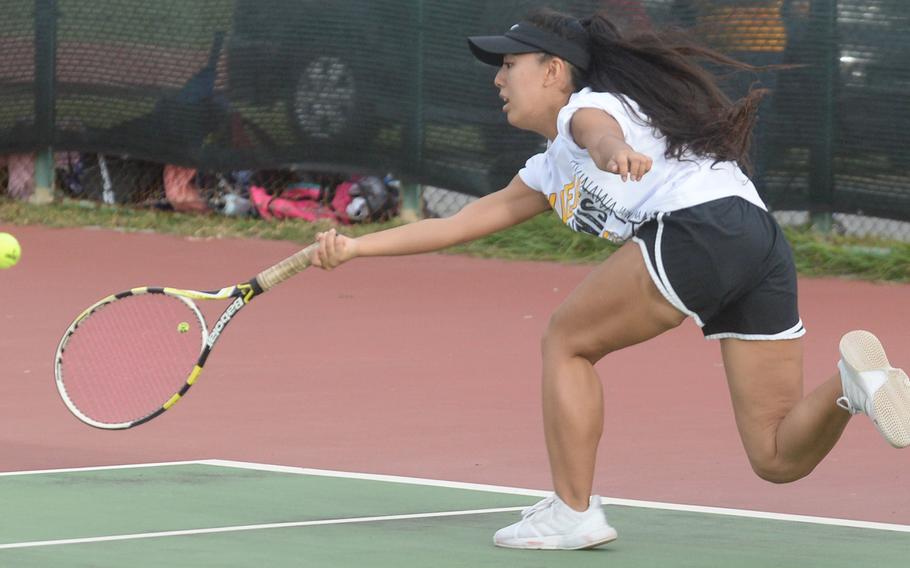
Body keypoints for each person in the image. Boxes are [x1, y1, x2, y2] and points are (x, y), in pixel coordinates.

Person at [309, 7, 910, 550]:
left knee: (566, 340)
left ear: (553, 71)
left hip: (698, 226)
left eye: (510, 64)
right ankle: (855, 382)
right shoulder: (548, 170)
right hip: (758, 240)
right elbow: (467, 220)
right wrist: (358, 247)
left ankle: (573, 511)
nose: (497, 78)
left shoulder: (587, 109)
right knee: (776, 457)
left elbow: (597, 130)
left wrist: (610, 149)